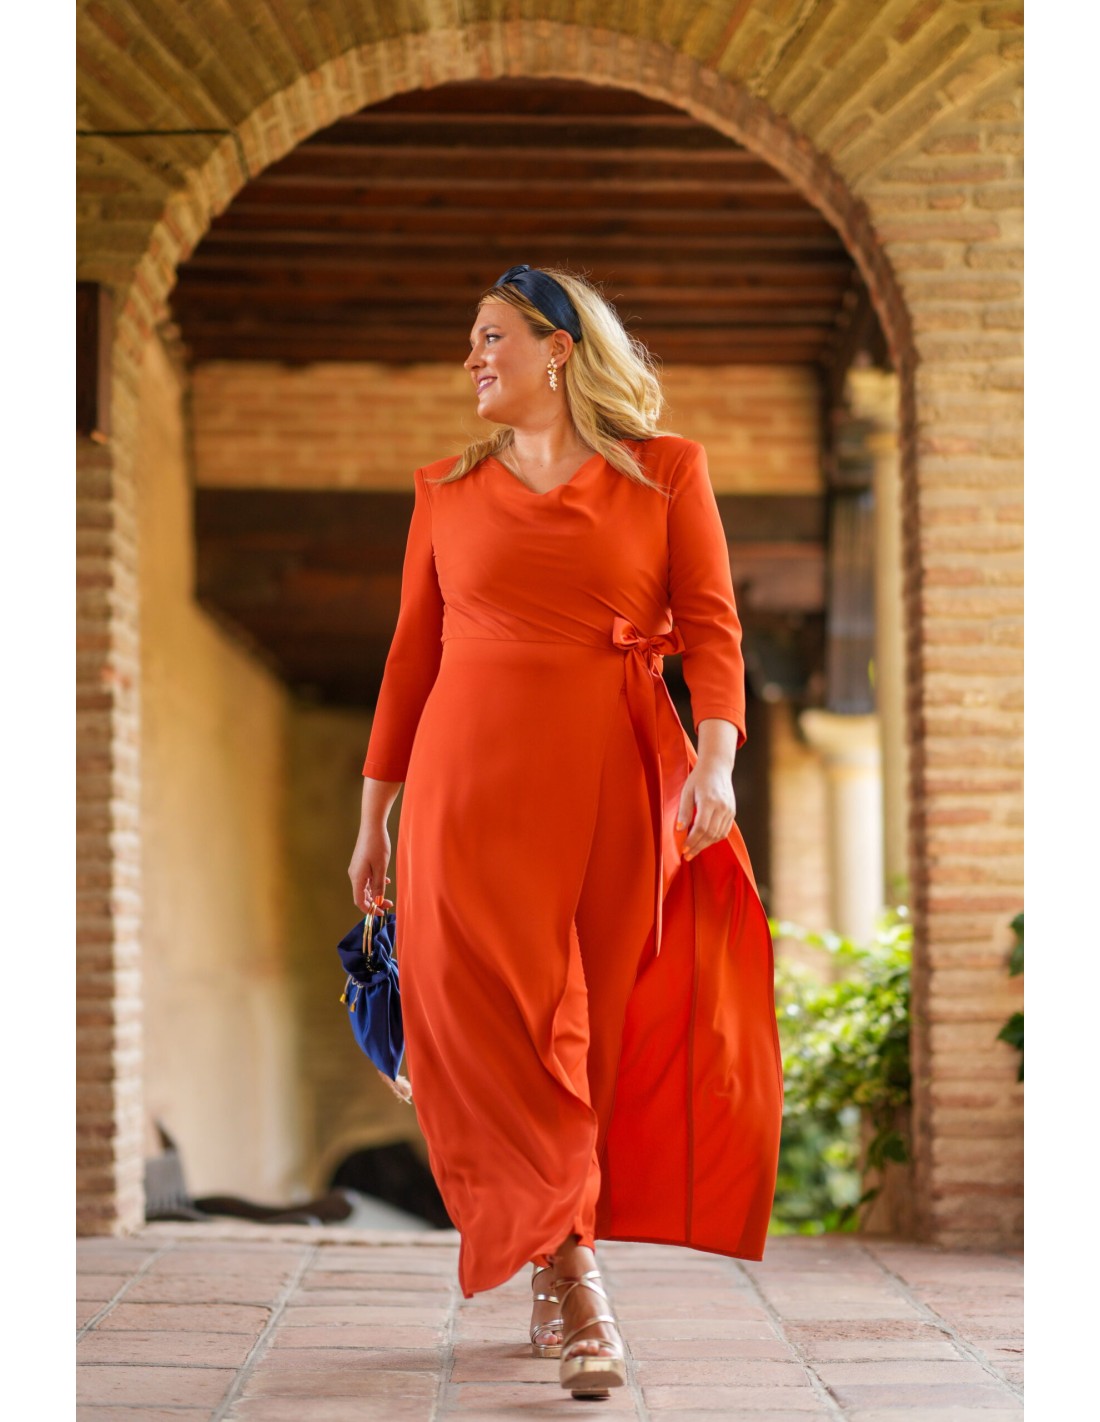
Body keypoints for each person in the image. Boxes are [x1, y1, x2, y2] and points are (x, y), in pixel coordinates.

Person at [348, 264, 783, 1400]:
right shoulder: (444, 489)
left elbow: (711, 627)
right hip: (462, 786)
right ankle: (576, 1277)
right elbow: (410, 656)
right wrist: (373, 815)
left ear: (559, 349)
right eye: (472, 340)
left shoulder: (666, 470)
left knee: (586, 1028)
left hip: (611, 776)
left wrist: (717, 760)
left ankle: (556, 1253)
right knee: (478, 1023)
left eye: (492, 336)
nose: (472, 359)